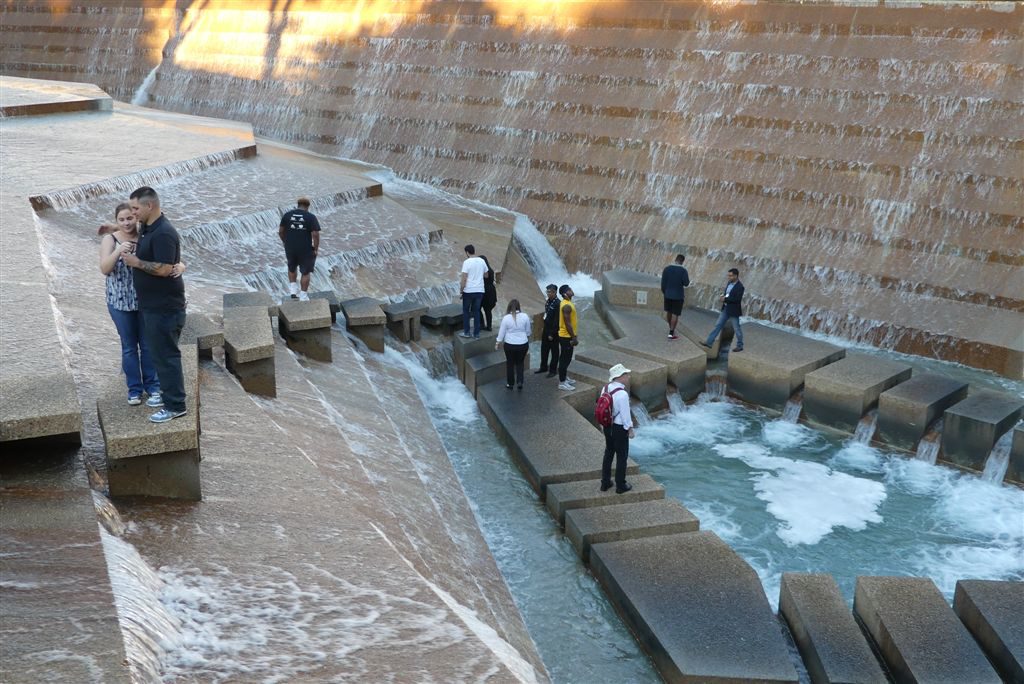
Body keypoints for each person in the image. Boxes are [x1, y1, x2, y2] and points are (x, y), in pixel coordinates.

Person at [121, 186, 188, 423]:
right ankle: (168, 395)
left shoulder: (163, 233)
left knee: (166, 356)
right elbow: (132, 230)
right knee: (159, 354)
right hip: (154, 306)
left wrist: (136, 262)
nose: (134, 213)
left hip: (165, 308)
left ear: (150, 206)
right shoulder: (150, 227)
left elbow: (165, 268)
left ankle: (175, 405)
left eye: (136, 208)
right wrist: (113, 229)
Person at [99, 202, 160, 406]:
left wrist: (180, 264)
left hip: (144, 301)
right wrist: (118, 251)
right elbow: (104, 269)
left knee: (148, 346)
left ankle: (153, 387)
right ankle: (134, 390)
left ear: (136, 218)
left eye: (130, 218)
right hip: (119, 302)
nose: (126, 223)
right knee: (129, 347)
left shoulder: (144, 235)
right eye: (121, 220)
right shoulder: (110, 240)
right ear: (117, 222)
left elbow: (159, 221)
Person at [600, 363, 635, 494]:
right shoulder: (622, 394)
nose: (628, 376)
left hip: (607, 425)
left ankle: (605, 482)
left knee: (608, 453)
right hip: (619, 428)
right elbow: (625, 415)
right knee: (622, 456)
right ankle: (621, 485)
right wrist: (630, 429)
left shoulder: (605, 388)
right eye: (626, 374)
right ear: (620, 377)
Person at [279, 197, 321, 301]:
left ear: (298, 205)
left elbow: (280, 231)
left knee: (292, 267)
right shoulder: (311, 217)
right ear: (308, 206)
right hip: (305, 248)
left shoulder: (287, 215)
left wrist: (285, 242)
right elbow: (315, 234)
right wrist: (315, 248)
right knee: (305, 272)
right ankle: (303, 296)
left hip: (290, 247)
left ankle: (293, 291)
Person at [702, 267, 745, 352]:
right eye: (728, 276)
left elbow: (737, 300)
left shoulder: (740, 287)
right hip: (725, 309)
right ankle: (709, 342)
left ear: (736, 276)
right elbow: (728, 294)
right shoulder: (729, 283)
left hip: (733, 311)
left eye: (731, 276)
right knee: (718, 325)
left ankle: (740, 345)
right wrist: (723, 296)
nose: (729, 277)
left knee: (736, 328)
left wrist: (725, 299)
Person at [495, 299, 531, 390]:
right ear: (519, 306)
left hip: (510, 345)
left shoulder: (506, 318)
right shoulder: (525, 316)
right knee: (520, 363)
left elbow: (501, 332)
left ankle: (510, 384)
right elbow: (528, 332)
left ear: (509, 307)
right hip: (523, 344)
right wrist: (525, 337)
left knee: (510, 364)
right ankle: (520, 381)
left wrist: (498, 342)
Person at [459, 244, 487, 339]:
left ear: (467, 252)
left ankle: (466, 332)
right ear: (474, 251)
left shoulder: (466, 262)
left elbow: (463, 279)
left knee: (466, 311)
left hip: (468, 291)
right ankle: (476, 334)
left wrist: (461, 290)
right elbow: (486, 275)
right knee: (476, 312)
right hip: (479, 291)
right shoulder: (482, 261)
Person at [661, 253, 690, 340]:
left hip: (667, 294)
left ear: (675, 259)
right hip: (678, 296)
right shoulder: (683, 271)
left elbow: (663, 284)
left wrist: (665, 293)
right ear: (682, 261)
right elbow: (686, 283)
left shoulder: (667, 269)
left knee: (668, 312)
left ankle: (670, 327)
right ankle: (671, 333)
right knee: (675, 314)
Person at [534, 283, 560, 377]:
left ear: (554, 292)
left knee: (554, 351)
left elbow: (557, 320)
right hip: (546, 329)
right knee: (544, 349)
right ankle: (543, 367)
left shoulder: (558, 304)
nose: (548, 294)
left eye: (549, 292)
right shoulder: (548, 301)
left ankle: (553, 370)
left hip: (553, 332)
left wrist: (552, 333)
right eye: (547, 292)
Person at [556, 284, 578, 391]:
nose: (571, 290)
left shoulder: (567, 302)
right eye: (569, 290)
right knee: (565, 359)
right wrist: (573, 337)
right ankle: (562, 382)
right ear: (565, 293)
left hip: (567, 335)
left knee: (567, 358)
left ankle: (564, 377)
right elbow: (567, 323)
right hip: (566, 336)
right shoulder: (566, 306)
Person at [480, 254, 497, 331]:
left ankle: (482, 324)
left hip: (484, 292)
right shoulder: (491, 270)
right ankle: (489, 326)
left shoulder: (483, 271)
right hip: (491, 292)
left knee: (477, 309)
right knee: (488, 310)